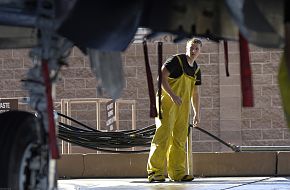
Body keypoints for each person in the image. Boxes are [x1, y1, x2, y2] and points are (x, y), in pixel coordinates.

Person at [147, 38, 202, 182]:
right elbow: (161, 78)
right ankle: (155, 172)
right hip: (166, 103)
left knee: (179, 139)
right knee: (163, 136)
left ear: (200, 51)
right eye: (191, 47)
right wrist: (172, 95)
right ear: (186, 47)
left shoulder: (196, 69)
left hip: (182, 109)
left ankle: (177, 172)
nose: (193, 51)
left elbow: (195, 93)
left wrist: (196, 113)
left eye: (196, 48)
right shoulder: (176, 61)